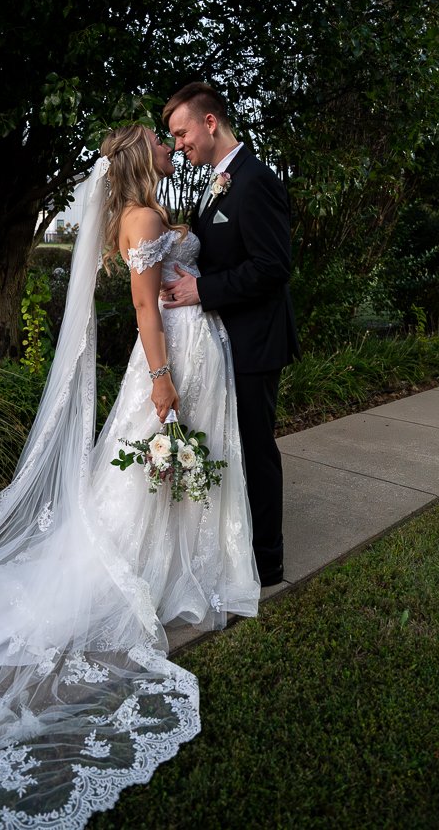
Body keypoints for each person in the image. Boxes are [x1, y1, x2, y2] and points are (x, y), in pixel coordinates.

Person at [0, 124, 259, 828]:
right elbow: (144, 306)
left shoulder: (152, 210)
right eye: (162, 142)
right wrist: (163, 378)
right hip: (170, 358)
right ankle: (137, 568)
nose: (170, 148)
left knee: (165, 470)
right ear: (142, 158)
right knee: (148, 471)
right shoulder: (142, 219)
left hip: (197, 349)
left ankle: (183, 557)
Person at [162, 83, 299, 587]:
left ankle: (268, 562)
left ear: (210, 122)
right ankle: (234, 550)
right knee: (232, 448)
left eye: (182, 133)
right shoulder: (216, 181)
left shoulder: (256, 180)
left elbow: (273, 267)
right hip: (222, 340)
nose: (178, 144)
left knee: (256, 449)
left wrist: (202, 290)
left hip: (256, 341)